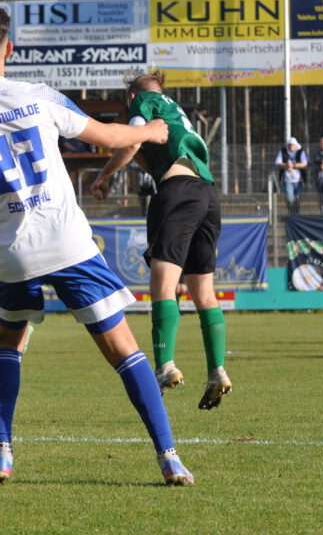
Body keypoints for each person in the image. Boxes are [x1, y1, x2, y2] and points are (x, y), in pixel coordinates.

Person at [0, 2, 193, 486]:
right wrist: (152, 130)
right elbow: (109, 137)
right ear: (9, 48)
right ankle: (170, 457)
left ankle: (2, 454)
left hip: (9, 252)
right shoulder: (40, 95)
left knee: (8, 341)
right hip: (69, 242)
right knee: (123, 348)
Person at [90, 68, 231, 411]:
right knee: (204, 294)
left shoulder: (146, 104)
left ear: (132, 97)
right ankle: (217, 371)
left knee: (162, 284)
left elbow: (134, 139)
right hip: (208, 195)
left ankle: (165, 365)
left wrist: (104, 174)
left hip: (177, 191)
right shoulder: (178, 113)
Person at [275, 137, 307, 214]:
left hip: (298, 180)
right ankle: (292, 213)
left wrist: (293, 165)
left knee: (297, 199)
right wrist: (286, 165)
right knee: (289, 198)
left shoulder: (300, 152)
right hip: (287, 180)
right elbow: (277, 163)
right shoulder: (283, 152)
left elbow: (304, 163)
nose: (291, 147)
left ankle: (295, 215)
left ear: (296, 145)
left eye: (292, 145)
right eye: (290, 145)